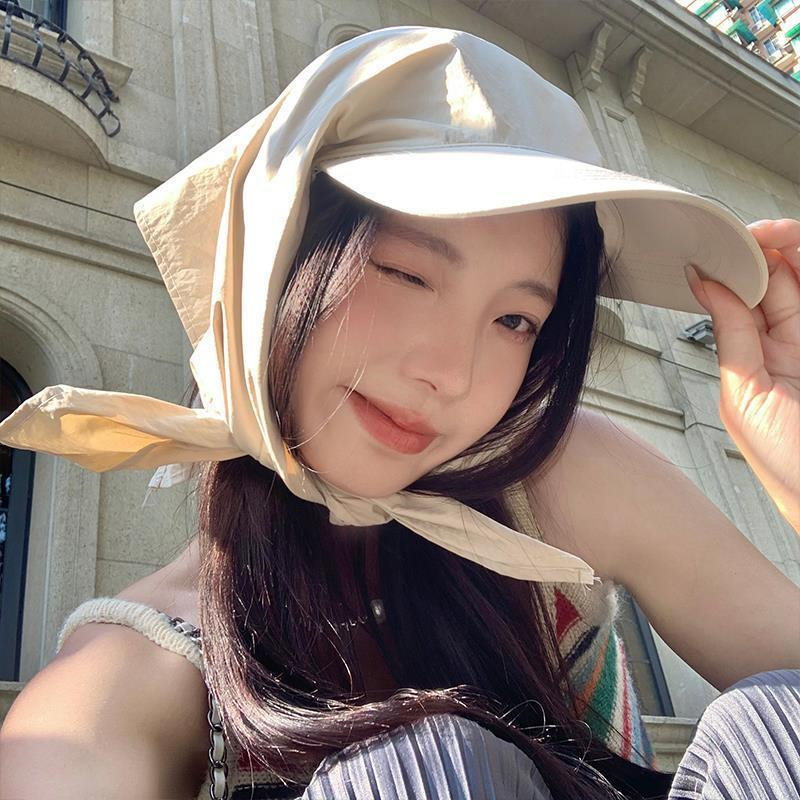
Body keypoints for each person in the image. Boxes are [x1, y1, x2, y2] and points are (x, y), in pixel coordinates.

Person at [0, 25, 798, 800]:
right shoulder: (134, 673)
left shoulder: (553, 485)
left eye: (515, 319)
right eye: (407, 274)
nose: (452, 373)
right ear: (274, 258)